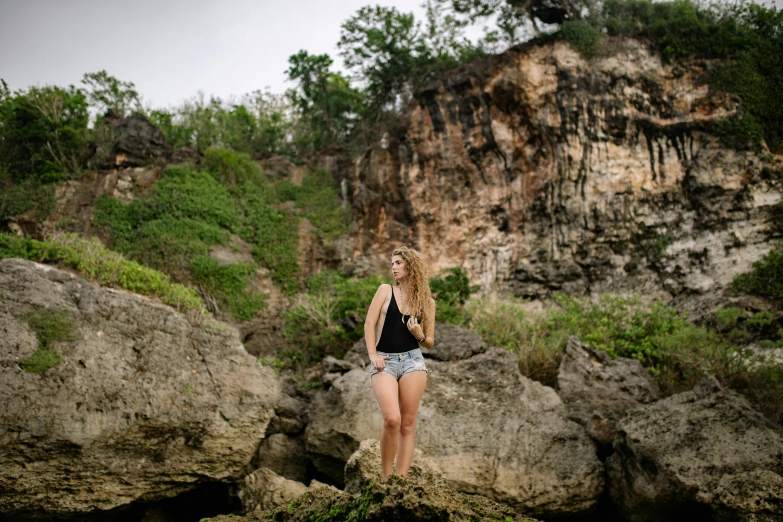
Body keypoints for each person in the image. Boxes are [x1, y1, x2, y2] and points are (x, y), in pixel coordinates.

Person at [364, 246, 436, 480]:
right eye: (392, 263)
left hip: (413, 362)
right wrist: (373, 355)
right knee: (392, 419)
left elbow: (430, 342)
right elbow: (369, 323)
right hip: (384, 360)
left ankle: (401, 481)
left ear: (410, 266)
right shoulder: (385, 290)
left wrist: (418, 333)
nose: (393, 267)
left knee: (407, 424)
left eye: (397, 263)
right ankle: (385, 479)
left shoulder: (426, 301)